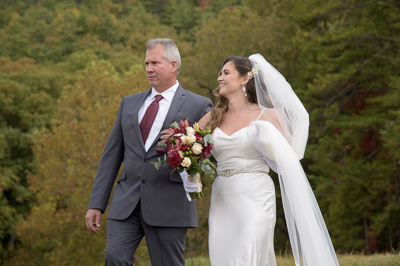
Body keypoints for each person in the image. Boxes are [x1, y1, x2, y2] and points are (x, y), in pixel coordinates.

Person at [197, 54, 339, 265]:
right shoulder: (213, 117)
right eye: (220, 73)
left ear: (245, 79)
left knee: (247, 253)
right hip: (223, 197)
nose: (220, 78)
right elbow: (189, 148)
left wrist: (268, 142)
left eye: (226, 73)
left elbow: (290, 158)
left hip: (256, 195)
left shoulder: (269, 115)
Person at [85, 38, 213, 266]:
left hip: (170, 204)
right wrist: (96, 203)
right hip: (126, 202)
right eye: (146, 64)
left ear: (174, 65)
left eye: (155, 63)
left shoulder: (199, 105)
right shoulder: (129, 104)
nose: (149, 69)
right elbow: (111, 156)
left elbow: (206, 156)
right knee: (114, 257)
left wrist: (182, 147)